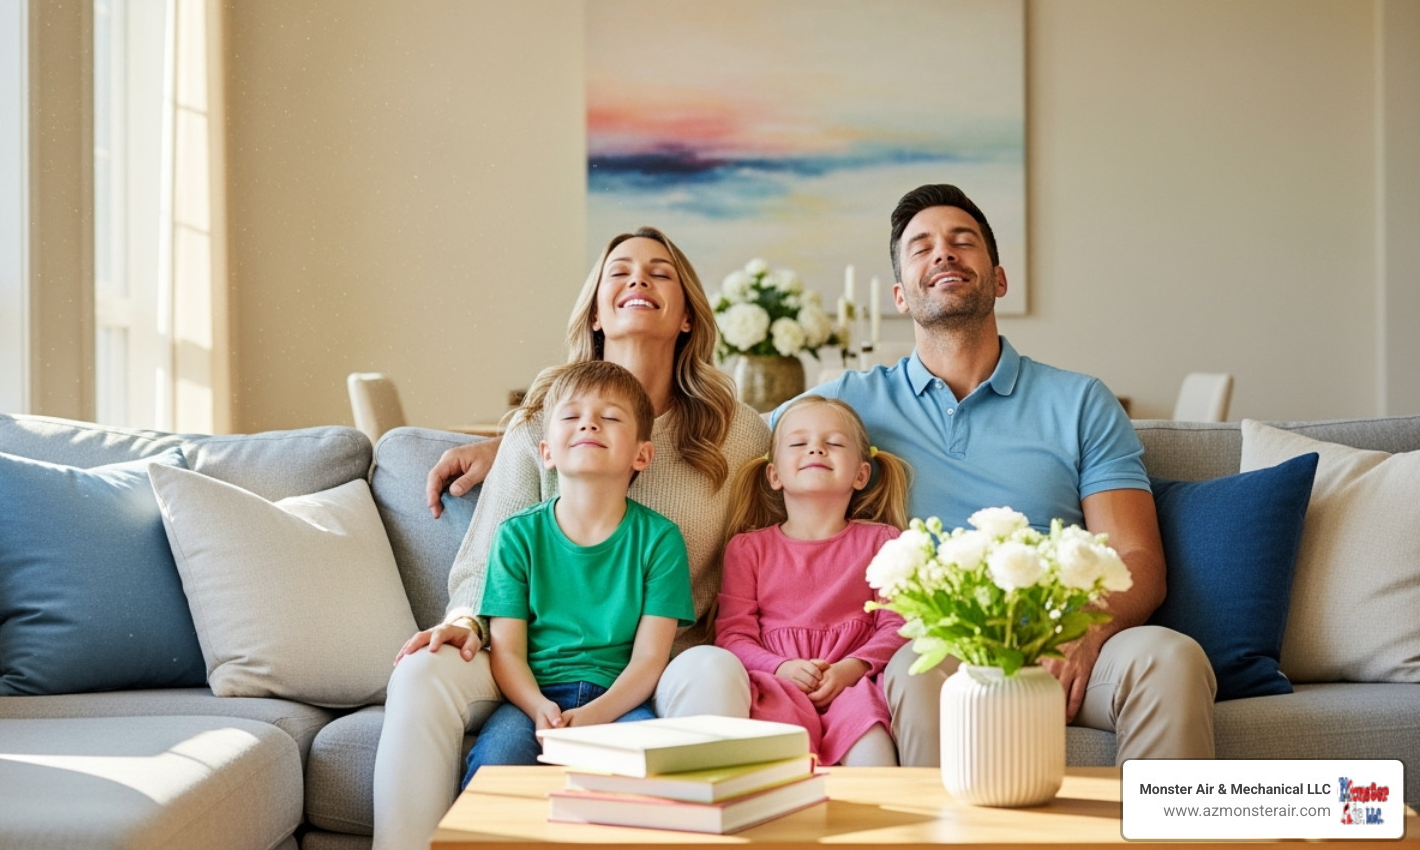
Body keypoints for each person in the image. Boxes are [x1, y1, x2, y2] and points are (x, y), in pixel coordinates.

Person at [787, 182, 1217, 765]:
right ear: (900, 297)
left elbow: (1137, 558)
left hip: (1059, 640)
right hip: (932, 646)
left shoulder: (1081, 401)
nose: (943, 253)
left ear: (999, 279)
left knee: (1172, 658)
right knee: (918, 666)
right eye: (922, 247)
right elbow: (743, 445)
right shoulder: (849, 405)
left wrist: (1083, 634)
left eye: (962, 241)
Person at [372, 227, 769, 850]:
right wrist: (465, 623)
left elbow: (765, 552)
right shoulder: (539, 422)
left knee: (717, 670)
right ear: (594, 310)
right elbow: (485, 559)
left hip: (664, 658)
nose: (639, 280)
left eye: (660, 272)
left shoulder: (737, 431)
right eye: (620, 272)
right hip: (529, 655)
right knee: (420, 673)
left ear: (689, 315)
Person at [460, 360, 694, 788]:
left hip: (620, 701)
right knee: (496, 763)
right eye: (571, 417)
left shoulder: (661, 540)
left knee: (648, 770)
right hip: (534, 698)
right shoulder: (517, 536)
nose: (589, 425)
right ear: (547, 453)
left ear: (642, 454)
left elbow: (649, 660)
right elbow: (508, 653)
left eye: (609, 417)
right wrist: (538, 709)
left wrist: (593, 716)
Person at [715, 395, 911, 768]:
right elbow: (732, 636)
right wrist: (780, 668)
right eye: (798, 443)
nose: (816, 449)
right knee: (776, 771)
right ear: (774, 475)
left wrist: (852, 667)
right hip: (775, 688)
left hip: (856, 688)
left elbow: (898, 625)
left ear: (861, 474)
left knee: (874, 756)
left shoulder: (884, 542)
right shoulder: (748, 549)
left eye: (834, 443)